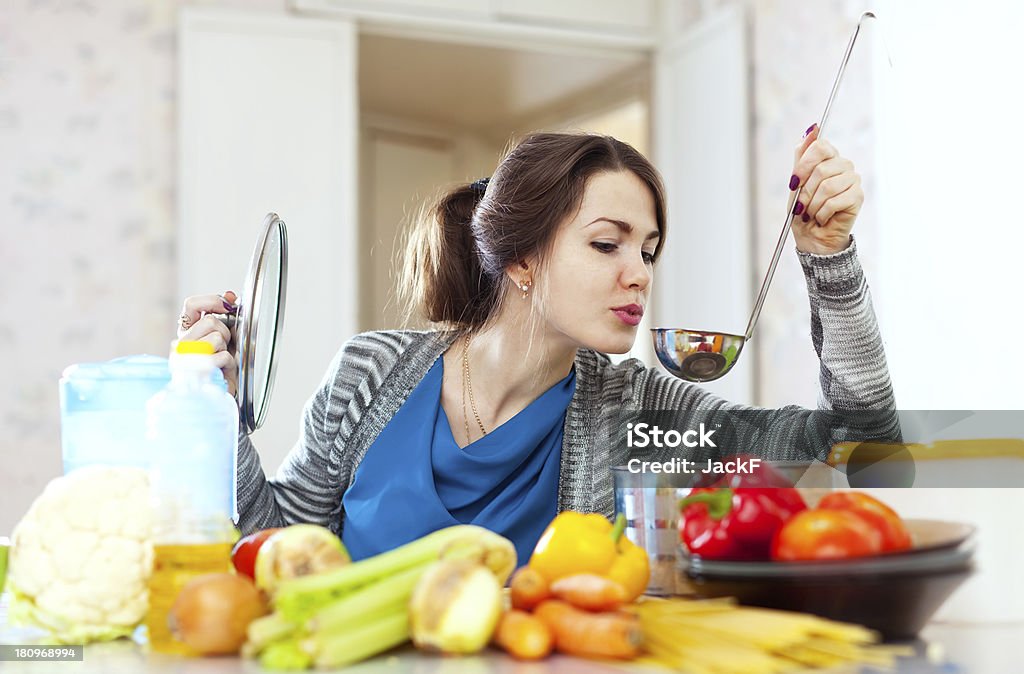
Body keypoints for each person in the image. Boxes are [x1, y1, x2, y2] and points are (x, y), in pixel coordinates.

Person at [176, 130, 896, 564]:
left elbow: (867, 452)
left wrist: (828, 259)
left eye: (649, 251)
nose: (638, 273)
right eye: (607, 243)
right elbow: (270, 545)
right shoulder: (372, 370)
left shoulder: (638, 405)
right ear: (520, 261)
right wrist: (214, 408)